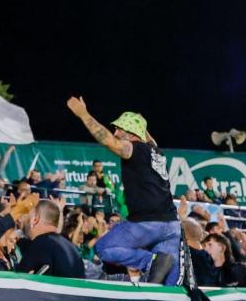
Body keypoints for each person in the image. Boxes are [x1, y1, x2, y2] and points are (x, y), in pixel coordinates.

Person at [66, 97, 182, 283]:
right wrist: (139, 122)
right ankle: (166, 284)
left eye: (120, 130)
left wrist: (83, 114)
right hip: (171, 226)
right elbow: (146, 137)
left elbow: (108, 141)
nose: (115, 133)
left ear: (132, 135)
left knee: (104, 247)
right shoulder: (156, 152)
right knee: (167, 282)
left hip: (147, 223)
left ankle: (150, 261)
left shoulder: (133, 148)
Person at [17, 196, 83, 277]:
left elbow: (19, 279)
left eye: (27, 216)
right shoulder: (72, 248)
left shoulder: (39, 246)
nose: (22, 220)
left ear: (34, 220)